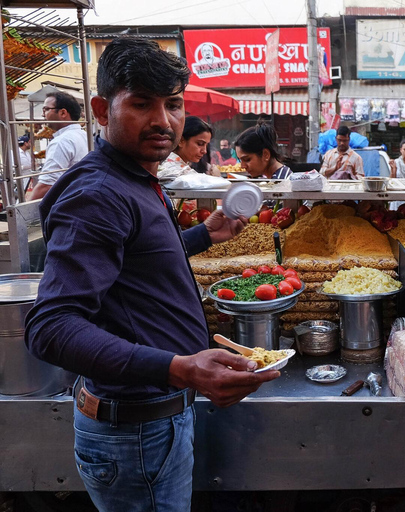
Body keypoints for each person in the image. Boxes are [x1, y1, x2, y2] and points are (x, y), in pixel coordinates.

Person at [24, 38, 279, 511]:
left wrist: (204, 235)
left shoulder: (136, 176)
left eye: (173, 104)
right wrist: (179, 368)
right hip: (135, 432)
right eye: (141, 104)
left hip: (152, 421)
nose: (163, 121)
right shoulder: (99, 193)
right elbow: (51, 328)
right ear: (102, 109)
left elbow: (133, 264)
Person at [29, 91, 89, 199]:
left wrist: (23, 212)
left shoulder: (61, 142)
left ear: (63, 113)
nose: (43, 114)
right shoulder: (84, 135)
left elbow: (46, 186)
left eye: (46, 109)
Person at [157, 115, 213, 181]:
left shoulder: (181, 168)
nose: (204, 151)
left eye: (206, 145)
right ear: (181, 141)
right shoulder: (172, 171)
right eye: (200, 144)